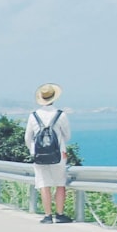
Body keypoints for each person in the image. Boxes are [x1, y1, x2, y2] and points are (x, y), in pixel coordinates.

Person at [25, 83, 73, 224]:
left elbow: (28, 138)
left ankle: (47, 216)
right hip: (58, 156)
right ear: (54, 97)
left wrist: (34, 151)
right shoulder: (61, 115)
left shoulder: (33, 116)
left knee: (43, 184)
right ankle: (59, 214)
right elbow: (67, 136)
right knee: (60, 184)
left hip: (39, 157)